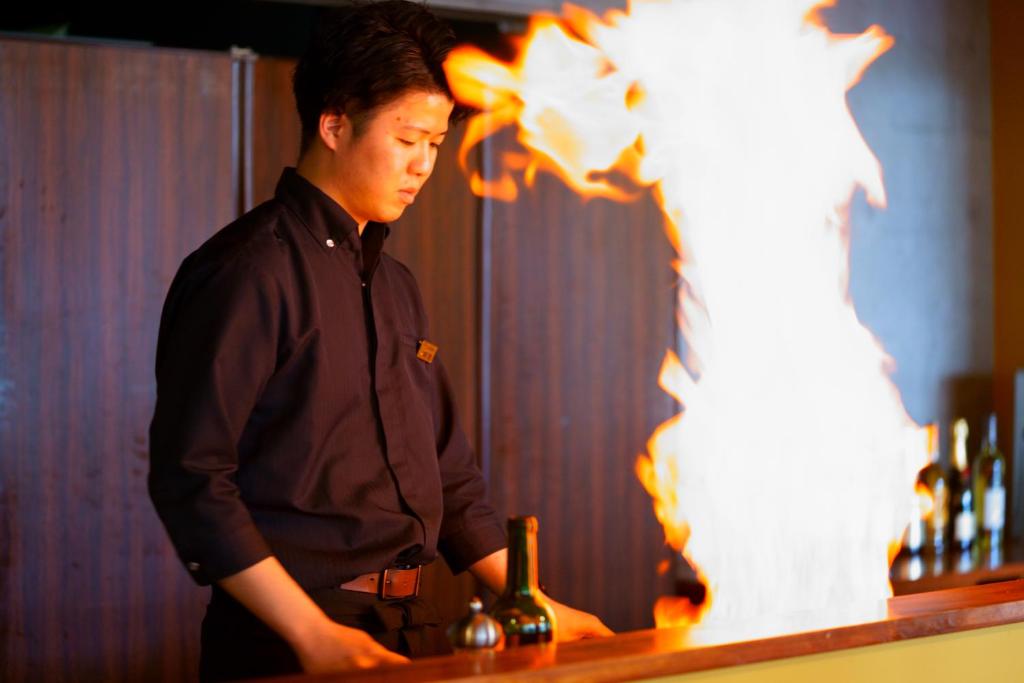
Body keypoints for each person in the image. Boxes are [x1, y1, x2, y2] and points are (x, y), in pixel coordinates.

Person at [147, 1, 611, 680]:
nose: (423, 165)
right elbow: (192, 479)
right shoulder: (248, 271)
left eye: (436, 144)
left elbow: (450, 480)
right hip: (288, 636)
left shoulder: (394, 284)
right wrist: (313, 634)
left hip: (410, 629)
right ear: (334, 124)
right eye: (406, 139)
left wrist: (533, 597)